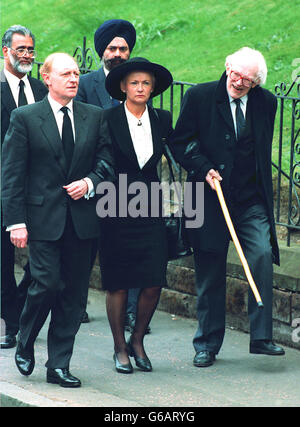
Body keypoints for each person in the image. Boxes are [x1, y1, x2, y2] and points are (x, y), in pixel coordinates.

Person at [1, 52, 114, 387]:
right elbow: (11, 175)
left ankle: (58, 364)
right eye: (66, 73)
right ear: (47, 78)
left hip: (82, 221)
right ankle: (25, 338)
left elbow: (107, 160)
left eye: (77, 73)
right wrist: (15, 222)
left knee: (75, 294)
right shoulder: (25, 118)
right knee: (46, 283)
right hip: (41, 219)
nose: (74, 79)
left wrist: (90, 182)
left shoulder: (94, 116)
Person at [170, 47, 285, 368]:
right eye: (235, 74)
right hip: (208, 200)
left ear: (257, 83)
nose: (238, 82)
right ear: (227, 67)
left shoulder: (266, 103)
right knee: (210, 270)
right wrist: (203, 167)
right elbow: (179, 142)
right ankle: (206, 343)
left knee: (261, 254)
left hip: (249, 200)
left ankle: (261, 337)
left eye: (247, 80)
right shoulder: (200, 97)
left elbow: (257, 150)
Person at [97, 57, 173, 373]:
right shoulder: (107, 118)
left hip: (151, 206)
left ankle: (137, 339)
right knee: (118, 282)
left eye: (145, 83)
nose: (140, 88)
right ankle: (119, 347)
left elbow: (180, 151)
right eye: (134, 83)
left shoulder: (163, 119)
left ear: (152, 88)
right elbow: (98, 159)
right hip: (114, 206)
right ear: (123, 88)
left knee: (153, 280)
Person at [76, 19, 149, 332]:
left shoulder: (138, 83)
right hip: (95, 179)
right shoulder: (84, 85)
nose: (118, 53)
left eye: (123, 48)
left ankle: (131, 315)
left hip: (131, 185)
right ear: (101, 51)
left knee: (132, 252)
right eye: (112, 48)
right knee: (85, 250)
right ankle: (75, 304)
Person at [1, 25, 48, 350]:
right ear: (6, 51)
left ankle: (19, 302)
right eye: (21, 50)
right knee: (3, 260)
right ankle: (12, 324)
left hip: (39, 190)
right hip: (4, 187)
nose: (28, 55)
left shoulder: (39, 88)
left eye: (31, 49)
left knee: (43, 258)